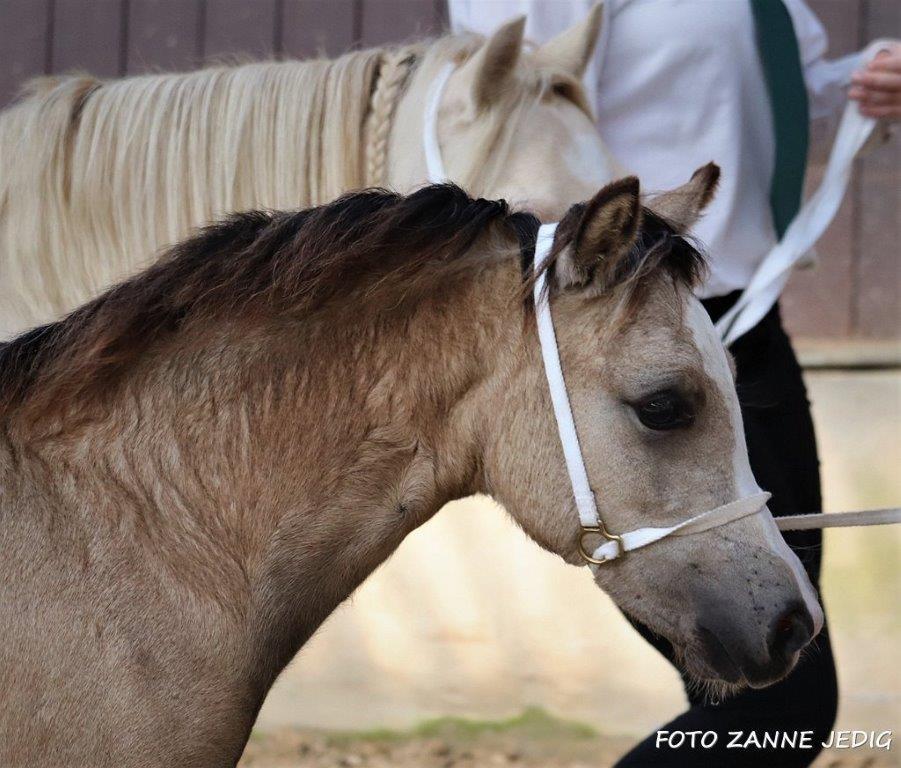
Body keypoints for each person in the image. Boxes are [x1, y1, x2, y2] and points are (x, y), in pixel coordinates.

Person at [449, 2, 900, 766]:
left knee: (771, 685)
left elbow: (754, 102)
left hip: (742, 330)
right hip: (630, 351)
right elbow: (508, 113)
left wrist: (862, 82)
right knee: (773, 707)